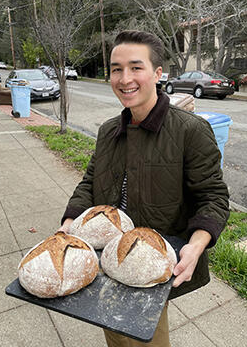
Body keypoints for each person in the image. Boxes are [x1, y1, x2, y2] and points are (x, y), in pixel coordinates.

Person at [59, 30, 230, 347]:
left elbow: (213, 198)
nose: (125, 79)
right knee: (112, 330)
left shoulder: (190, 131)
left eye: (136, 67)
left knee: (143, 339)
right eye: (116, 69)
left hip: (152, 262)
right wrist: (69, 225)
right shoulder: (109, 130)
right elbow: (89, 183)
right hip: (106, 255)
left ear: (158, 73)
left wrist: (196, 245)